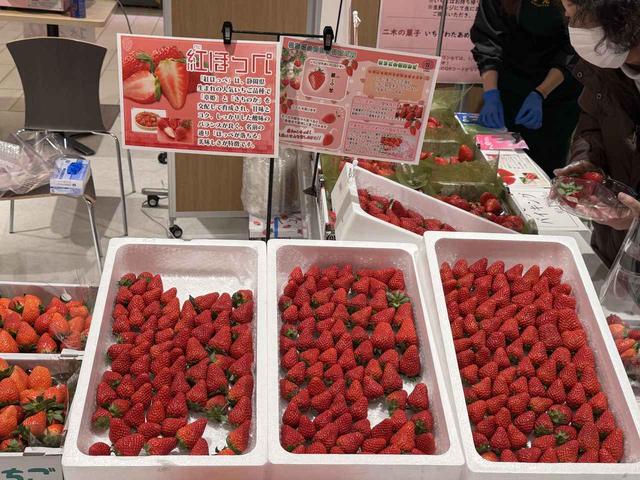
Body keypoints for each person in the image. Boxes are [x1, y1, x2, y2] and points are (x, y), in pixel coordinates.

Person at [554, 0, 640, 267]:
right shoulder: (606, 68)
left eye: (573, 8)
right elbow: (591, 120)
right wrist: (587, 159)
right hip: (613, 250)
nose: (567, 16)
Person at [471, 0, 583, 175]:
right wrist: (491, 93)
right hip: (508, 86)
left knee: (543, 169)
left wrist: (541, 92)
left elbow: (573, 51)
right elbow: (487, 38)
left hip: (558, 92)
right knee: (494, 165)